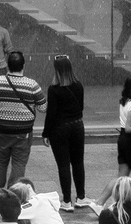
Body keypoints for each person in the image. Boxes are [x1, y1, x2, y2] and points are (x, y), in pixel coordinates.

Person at [0, 52, 45, 191]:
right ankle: (14, 194)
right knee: (19, 164)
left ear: (7, 65)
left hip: (1, 131)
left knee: (0, 163)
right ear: (23, 65)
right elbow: (43, 107)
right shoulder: (32, 85)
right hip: (23, 133)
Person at [42, 57, 85, 211]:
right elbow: (81, 107)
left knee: (63, 165)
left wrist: (45, 133)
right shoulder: (79, 86)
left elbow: (51, 114)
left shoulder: (53, 89)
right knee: (78, 163)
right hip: (77, 126)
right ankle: (81, 197)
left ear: (57, 71)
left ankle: (66, 201)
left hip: (59, 129)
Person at [114, 77, 131, 181]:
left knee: (121, 176)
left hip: (122, 139)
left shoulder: (124, 102)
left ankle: (107, 197)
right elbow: (129, 128)